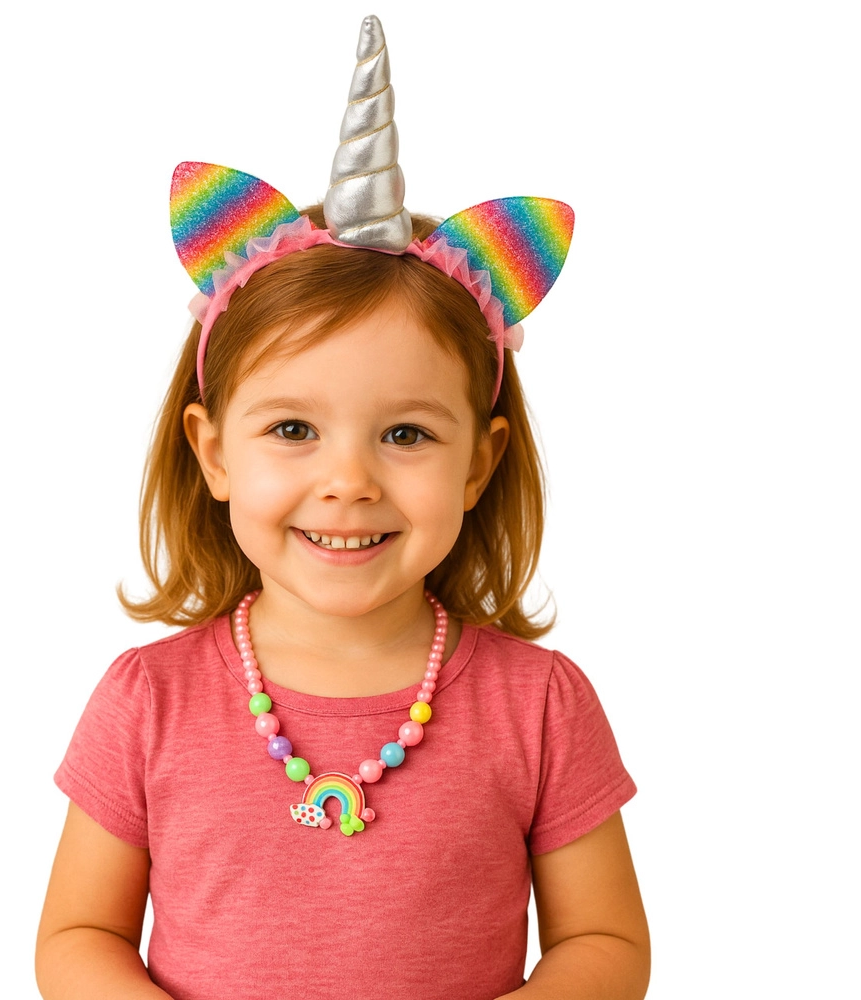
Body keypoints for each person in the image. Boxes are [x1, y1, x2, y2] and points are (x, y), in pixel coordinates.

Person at [36, 16, 649, 1000]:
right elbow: (76, 935)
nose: (349, 481)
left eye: (406, 434)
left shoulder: (539, 705)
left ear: (480, 464)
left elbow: (606, 944)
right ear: (213, 452)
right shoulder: (147, 700)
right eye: (293, 429)